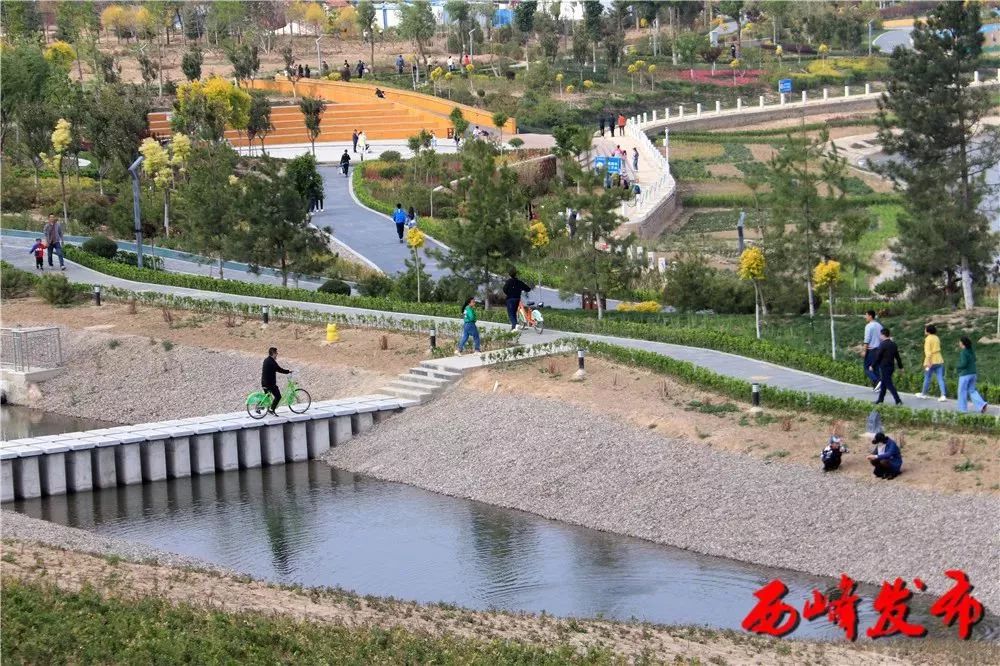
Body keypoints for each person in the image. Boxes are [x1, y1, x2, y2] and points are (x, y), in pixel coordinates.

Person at [871, 327, 903, 405]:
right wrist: (901, 367)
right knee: (884, 384)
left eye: (880, 335)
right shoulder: (893, 344)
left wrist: (872, 365)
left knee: (888, 384)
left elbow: (878, 356)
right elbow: (897, 357)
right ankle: (880, 400)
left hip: (884, 367)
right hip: (891, 367)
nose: (880, 336)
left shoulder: (882, 345)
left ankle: (898, 400)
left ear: (883, 335)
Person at [956, 336, 988, 413]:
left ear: (963, 343)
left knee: (962, 391)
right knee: (972, 390)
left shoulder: (963, 352)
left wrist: (957, 366)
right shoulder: (971, 350)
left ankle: (962, 409)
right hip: (973, 373)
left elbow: (964, 364)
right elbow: (974, 359)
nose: (959, 343)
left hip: (965, 374)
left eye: (960, 341)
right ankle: (982, 404)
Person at [915, 324, 947, 401]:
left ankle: (924, 393)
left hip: (930, 361)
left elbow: (928, 352)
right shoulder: (937, 338)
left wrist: (928, 362)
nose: (924, 330)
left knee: (927, 378)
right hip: (939, 359)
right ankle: (943, 395)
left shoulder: (928, 339)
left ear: (928, 331)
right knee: (940, 378)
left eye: (925, 329)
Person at [261, 347, 292, 415]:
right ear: (273, 353)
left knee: (267, 396)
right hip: (269, 384)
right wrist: (288, 371)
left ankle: (260, 407)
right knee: (278, 396)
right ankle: (271, 410)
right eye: (276, 353)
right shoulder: (272, 362)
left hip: (264, 382)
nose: (277, 354)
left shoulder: (266, 360)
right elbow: (279, 369)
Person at [861, 309, 883, 390]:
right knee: (876, 368)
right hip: (879, 349)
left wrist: (864, 351)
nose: (865, 317)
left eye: (866, 315)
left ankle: (877, 381)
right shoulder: (880, 326)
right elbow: (882, 338)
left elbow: (867, 340)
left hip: (871, 350)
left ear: (870, 316)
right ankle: (878, 386)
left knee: (866, 368)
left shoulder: (868, 326)